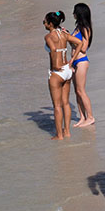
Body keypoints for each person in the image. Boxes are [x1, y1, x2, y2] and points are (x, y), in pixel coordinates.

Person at [44, 11, 83, 140]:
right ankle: (67, 131)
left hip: (57, 72)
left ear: (50, 24)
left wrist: (55, 65)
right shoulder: (64, 34)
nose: (43, 24)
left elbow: (53, 50)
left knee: (57, 106)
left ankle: (59, 135)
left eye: (44, 22)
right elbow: (80, 43)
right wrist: (72, 60)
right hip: (67, 69)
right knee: (66, 103)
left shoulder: (49, 37)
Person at [71, 3, 95, 128]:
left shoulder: (85, 28)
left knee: (81, 90)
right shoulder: (77, 27)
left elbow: (84, 47)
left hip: (81, 61)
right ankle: (82, 117)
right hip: (75, 61)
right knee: (76, 91)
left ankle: (90, 117)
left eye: (74, 11)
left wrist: (71, 40)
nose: (73, 14)